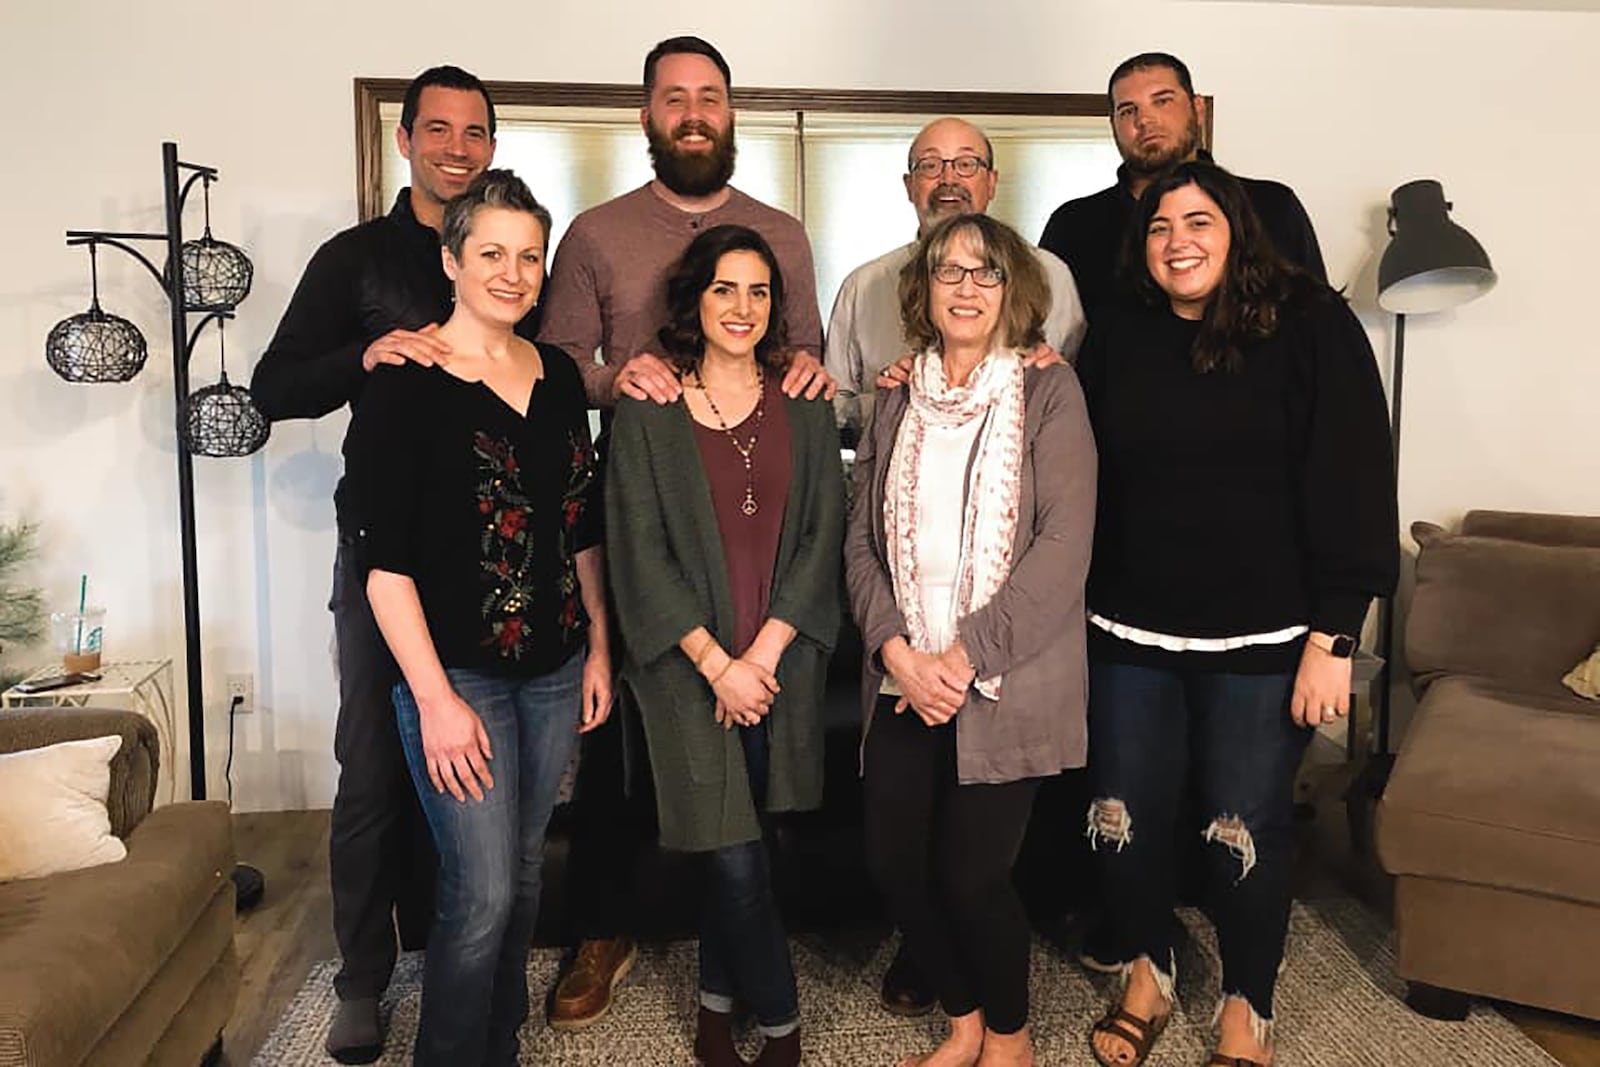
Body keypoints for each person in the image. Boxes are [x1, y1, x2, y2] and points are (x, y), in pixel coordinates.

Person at [536, 34, 833, 1031]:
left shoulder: (782, 233)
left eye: (710, 96)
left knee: (745, 809)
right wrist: (618, 379)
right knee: (662, 789)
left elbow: (806, 358)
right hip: (652, 503)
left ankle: (716, 999)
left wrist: (809, 385)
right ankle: (635, 946)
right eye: (676, 98)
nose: (694, 112)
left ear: (730, 112)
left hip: (759, 551)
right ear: (648, 116)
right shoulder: (593, 232)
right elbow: (553, 362)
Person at [1076, 161, 1396, 1067]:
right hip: (1127, 632)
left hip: (1266, 640)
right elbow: (1066, 453)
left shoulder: (1311, 325)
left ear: (1237, 229)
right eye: (1158, 226)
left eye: (1198, 220)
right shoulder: (1120, 334)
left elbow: (1356, 481)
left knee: (1243, 828)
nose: (1177, 239)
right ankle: (1150, 965)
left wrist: (1337, 637)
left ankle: (1248, 1003)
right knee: (1119, 817)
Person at [249, 65, 514, 1064]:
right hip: (382, 553)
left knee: (473, 769)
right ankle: (361, 977)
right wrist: (367, 354)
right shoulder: (356, 259)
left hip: (491, 559)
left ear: (492, 142)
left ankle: (460, 952)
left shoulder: (510, 256)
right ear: (403, 140)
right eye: (437, 129)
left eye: (475, 130)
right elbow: (273, 387)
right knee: (372, 768)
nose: (457, 145)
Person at [342, 169, 612, 1066]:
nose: (513, 271)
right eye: (491, 253)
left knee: (527, 873)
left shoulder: (562, 374)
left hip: (556, 668)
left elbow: (581, 526)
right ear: (452, 261)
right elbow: (382, 567)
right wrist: (433, 700)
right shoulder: (406, 380)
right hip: (456, 676)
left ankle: (498, 1038)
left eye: (529, 255)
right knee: (481, 889)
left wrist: (599, 649)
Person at [845, 213, 1097, 1067]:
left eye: (985, 273)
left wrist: (959, 659)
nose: (965, 287)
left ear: (1012, 291)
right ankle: (962, 1020)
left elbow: (1064, 545)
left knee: (972, 874)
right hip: (904, 673)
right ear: (923, 289)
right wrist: (896, 653)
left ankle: (1010, 1040)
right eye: (948, 271)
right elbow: (859, 542)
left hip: (1005, 677)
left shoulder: (1049, 389)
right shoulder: (894, 393)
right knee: (892, 860)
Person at [606, 224, 843, 1067]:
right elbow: (637, 548)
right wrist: (718, 663)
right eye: (723, 289)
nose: (741, 308)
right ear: (693, 300)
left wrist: (765, 657)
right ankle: (782, 1029)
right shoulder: (649, 406)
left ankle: (713, 1009)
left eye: (759, 291)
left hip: (782, 663)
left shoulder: (807, 402)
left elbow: (823, 536)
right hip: (684, 667)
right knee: (733, 850)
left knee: (747, 839)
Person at [826, 117, 1085, 439]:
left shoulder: (1049, 275)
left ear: (991, 182)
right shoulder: (863, 286)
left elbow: (1072, 393)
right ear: (909, 186)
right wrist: (898, 398)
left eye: (966, 164)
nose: (948, 179)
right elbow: (835, 408)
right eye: (930, 166)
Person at [1039, 52, 1326, 324]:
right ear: (1112, 124)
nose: (1145, 120)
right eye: (1128, 111)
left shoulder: (1271, 206)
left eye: (1162, 101)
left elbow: (1317, 319)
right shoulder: (1073, 224)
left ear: (1198, 108)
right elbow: (1039, 332)